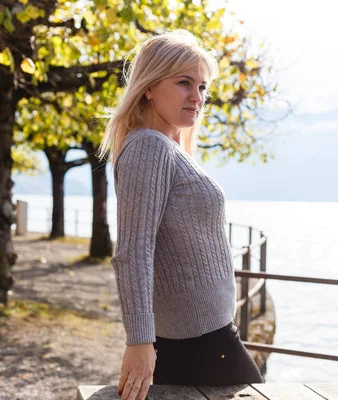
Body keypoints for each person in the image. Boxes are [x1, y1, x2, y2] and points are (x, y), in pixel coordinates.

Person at [98, 29, 263, 400]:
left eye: (203, 87)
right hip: (200, 341)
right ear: (149, 87)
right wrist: (139, 341)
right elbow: (134, 251)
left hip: (208, 335)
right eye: (185, 83)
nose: (197, 97)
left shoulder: (167, 147)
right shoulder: (148, 147)